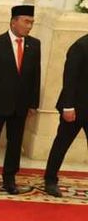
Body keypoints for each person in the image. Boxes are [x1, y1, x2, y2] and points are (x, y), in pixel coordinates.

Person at [0, 5, 40, 195]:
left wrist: (33, 104)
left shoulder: (34, 44)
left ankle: (10, 178)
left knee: (15, 143)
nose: (29, 26)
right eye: (26, 22)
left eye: (31, 23)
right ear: (14, 21)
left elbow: (35, 75)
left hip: (20, 105)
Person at [43, 32, 88, 198]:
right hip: (75, 108)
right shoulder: (81, 46)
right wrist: (68, 106)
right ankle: (50, 179)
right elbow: (70, 78)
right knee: (61, 144)